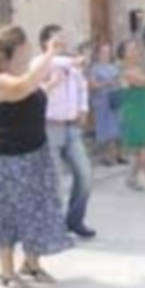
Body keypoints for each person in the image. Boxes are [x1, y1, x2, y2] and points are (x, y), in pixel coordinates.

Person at [0, 26, 74, 288]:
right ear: (17, 49)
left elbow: (35, 88)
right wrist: (50, 53)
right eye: (27, 46)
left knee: (39, 209)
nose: (30, 51)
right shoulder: (1, 80)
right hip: (10, 160)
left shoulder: (25, 76)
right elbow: (23, 88)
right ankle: (7, 272)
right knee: (8, 212)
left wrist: (54, 80)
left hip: (35, 154)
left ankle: (31, 265)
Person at [34, 24, 96, 240]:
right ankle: (53, 226)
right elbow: (51, 63)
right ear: (45, 43)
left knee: (85, 175)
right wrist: (73, 61)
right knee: (54, 180)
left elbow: (82, 87)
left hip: (71, 127)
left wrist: (83, 108)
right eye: (57, 38)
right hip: (49, 127)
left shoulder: (70, 63)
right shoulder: (41, 63)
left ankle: (75, 220)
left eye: (63, 37)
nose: (63, 41)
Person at [117, 39, 145, 192]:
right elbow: (144, 81)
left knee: (142, 148)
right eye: (131, 49)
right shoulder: (126, 71)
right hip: (135, 112)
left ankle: (131, 178)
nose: (135, 51)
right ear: (124, 54)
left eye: (136, 48)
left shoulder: (139, 66)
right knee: (143, 146)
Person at [88, 42, 126, 166]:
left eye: (108, 52)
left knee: (119, 127)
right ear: (98, 54)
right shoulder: (94, 68)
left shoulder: (113, 67)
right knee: (106, 129)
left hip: (115, 98)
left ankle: (119, 155)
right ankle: (106, 156)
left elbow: (120, 80)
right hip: (102, 101)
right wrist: (107, 83)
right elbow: (92, 86)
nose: (106, 54)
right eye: (104, 52)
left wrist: (120, 82)